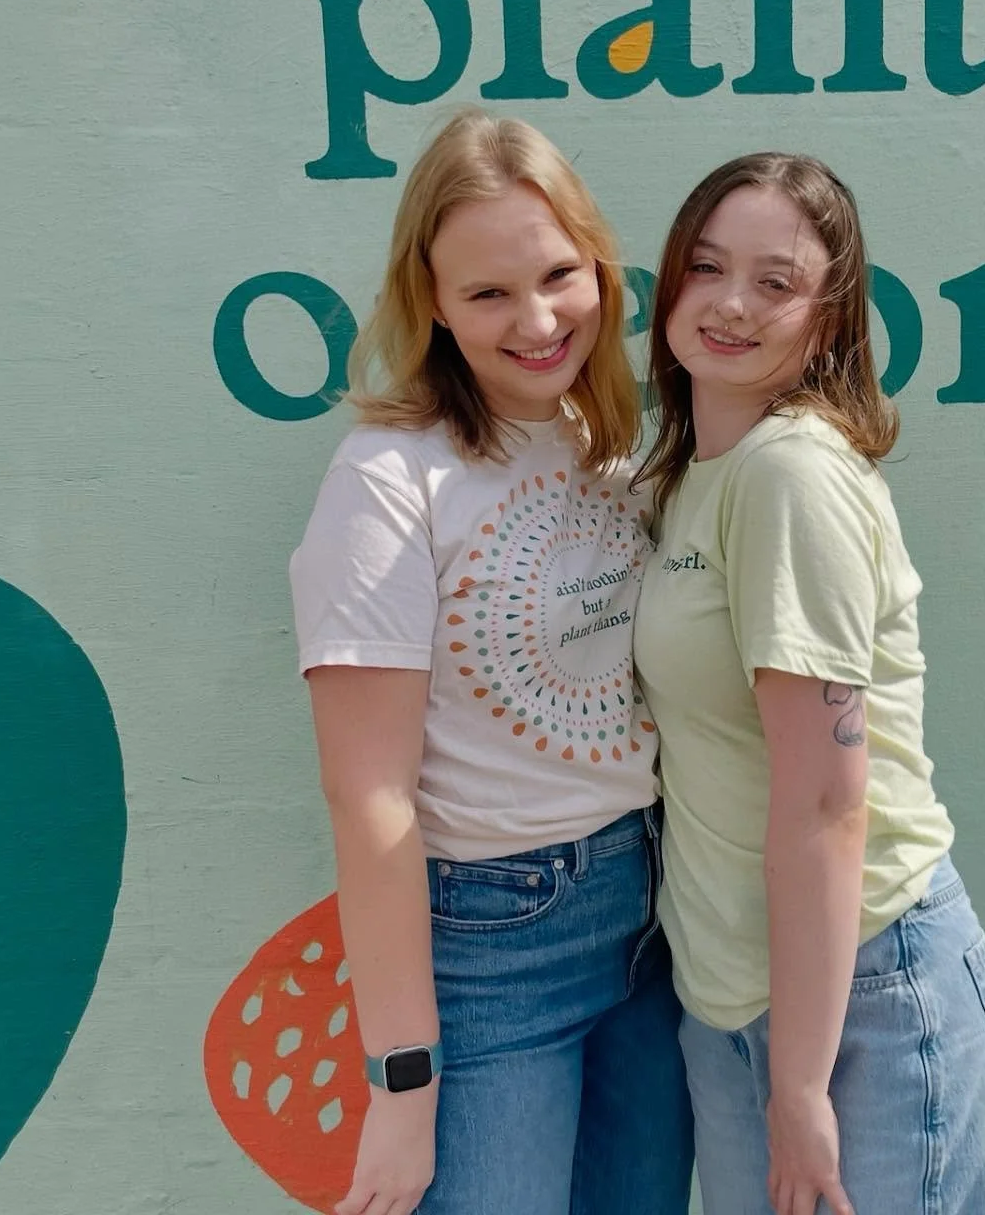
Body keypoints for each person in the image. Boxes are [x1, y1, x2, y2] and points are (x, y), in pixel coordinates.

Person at [289, 109, 694, 1215]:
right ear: (430, 303)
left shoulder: (605, 442)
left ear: (601, 269)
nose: (538, 318)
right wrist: (403, 1082)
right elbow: (365, 795)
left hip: (651, 920)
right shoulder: (386, 481)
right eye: (488, 294)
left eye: (561, 274)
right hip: (490, 949)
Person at [632, 153, 985, 1215]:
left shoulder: (789, 475)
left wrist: (802, 1086)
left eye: (776, 282)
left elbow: (825, 801)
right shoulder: (692, 475)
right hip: (732, 1005)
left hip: (862, 1002)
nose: (730, 304)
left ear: (829, 317)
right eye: (707, 267)